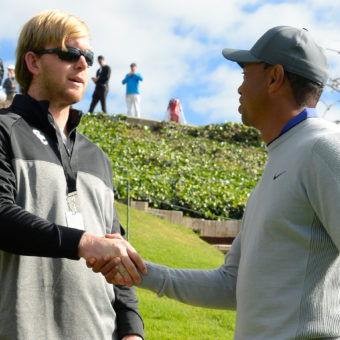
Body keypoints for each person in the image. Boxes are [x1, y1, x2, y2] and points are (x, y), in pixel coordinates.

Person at [89, 26, 340, 340]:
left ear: (274, 78)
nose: (239, 88)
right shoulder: (280, 160)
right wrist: (141, 272)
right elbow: (231, 285)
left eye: (246, 73)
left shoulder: (324, 148)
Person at [0, 10, 146, 340]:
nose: (83, 65)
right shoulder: (3, 132)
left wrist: (131, 330)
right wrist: (83, 243)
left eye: (88, 57)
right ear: (34, 63)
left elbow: (114, 251)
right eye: (70, 54)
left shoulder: (99, 158)